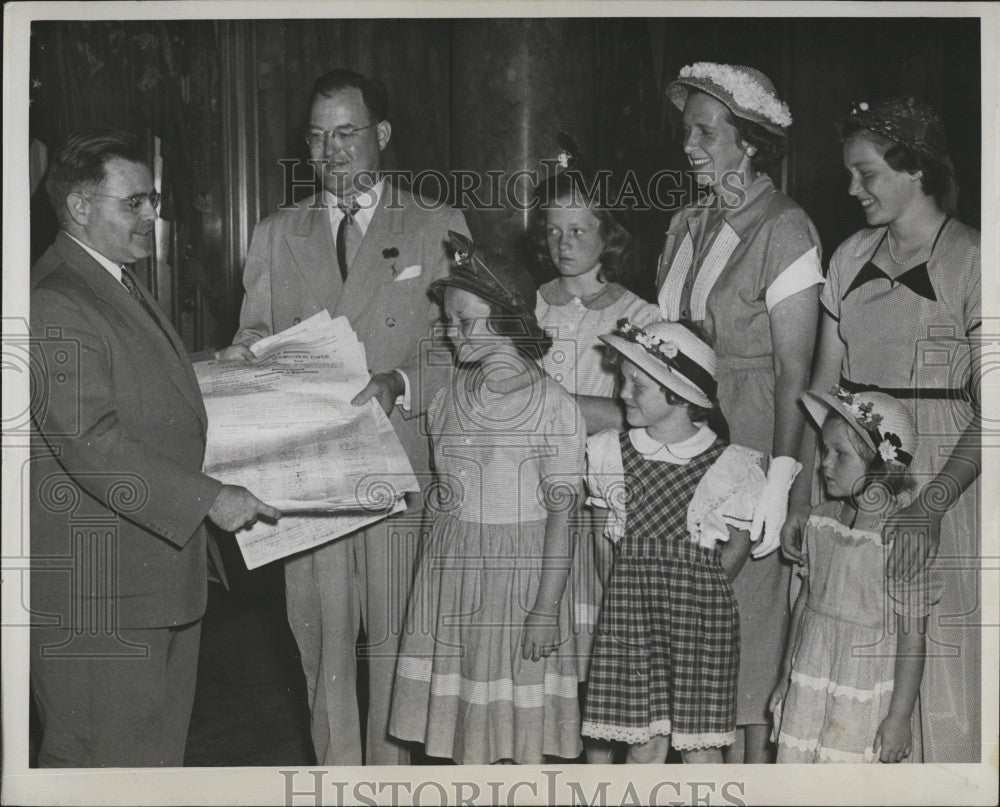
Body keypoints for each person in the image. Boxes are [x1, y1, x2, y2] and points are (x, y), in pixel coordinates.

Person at [215, 69, 470, 765]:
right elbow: (251, 339)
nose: (332, 151)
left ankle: (391, 780)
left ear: (381, 136)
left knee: (395, 647)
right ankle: (338, 779)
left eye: (348, 133)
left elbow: (467, 351)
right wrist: (237, 372)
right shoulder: (275, 233)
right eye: (318, 136)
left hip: (399, 469)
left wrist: (401, 381)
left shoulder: (436, 223)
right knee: (322, 651)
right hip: (310, 482)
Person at [29, 128, 279, 767]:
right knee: (103, 764)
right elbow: (91, 440)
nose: (151, 215)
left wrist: (208, 364)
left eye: (152, 200)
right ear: (80, 208)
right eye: (132, 203)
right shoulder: (57, 298)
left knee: (149, 762)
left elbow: (128, 376)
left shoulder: (107, 279)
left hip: (151, 579)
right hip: (105, 591)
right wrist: (210, 499)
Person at [783, 97, 981, 763]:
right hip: (856, 473)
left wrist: (929, 505)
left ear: (915, 169)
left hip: (947, 482)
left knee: (939, 662)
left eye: (866, 174)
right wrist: (804, 501)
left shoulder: (975, 260)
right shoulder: (848, 258)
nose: (851, 189)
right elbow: (825, 388)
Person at [655, 62, 824, 761]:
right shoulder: (686, 221)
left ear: (748, 140)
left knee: (745, 645)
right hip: (691, 438)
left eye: (706, 130)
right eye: (686, 129)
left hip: (758, 440)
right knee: (692, 641)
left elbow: (795, 367)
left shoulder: (785, 226)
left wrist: (782, 478)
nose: (690, 145)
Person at [388, 233, 586, 764]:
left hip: (517, 581)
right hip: (453, 576)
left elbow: (563, 519)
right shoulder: (450, 396)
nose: (452, 334)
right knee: (465, 733)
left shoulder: (552, 405)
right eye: (448, 321)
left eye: (466, 322)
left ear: (508, 319)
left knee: (515, 733)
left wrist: (546, 608)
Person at [582, 318, 765, 763]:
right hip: (630, 619)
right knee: (642, 743)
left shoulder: (729, 465)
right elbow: (603, 543)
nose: (623, 394)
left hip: (700, 625)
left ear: (679, 396)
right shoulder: (610, 452)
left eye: (637, 386)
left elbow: (738, 544)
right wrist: (627, 592)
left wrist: (701, 589)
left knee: (700, 748)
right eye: (624, 381)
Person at [532, 137, 660, 681]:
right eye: (554, 230)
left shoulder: (640, 315)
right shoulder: (526, 307)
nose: (564, 243)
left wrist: (554, 405)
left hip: (607, 497)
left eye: (580, 230)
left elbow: (641, 415)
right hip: (533, 491)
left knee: (606, 644)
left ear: (609, 233)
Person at [772, 388, 926, 763]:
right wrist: (786, 675)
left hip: (862, 678)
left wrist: (900, 716)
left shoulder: (898, 537)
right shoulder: (821, 521)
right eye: (825, 451)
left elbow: (912, 633)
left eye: (839, 454)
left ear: (879, 464)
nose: (824, 464)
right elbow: (805, 601)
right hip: (812, 669)